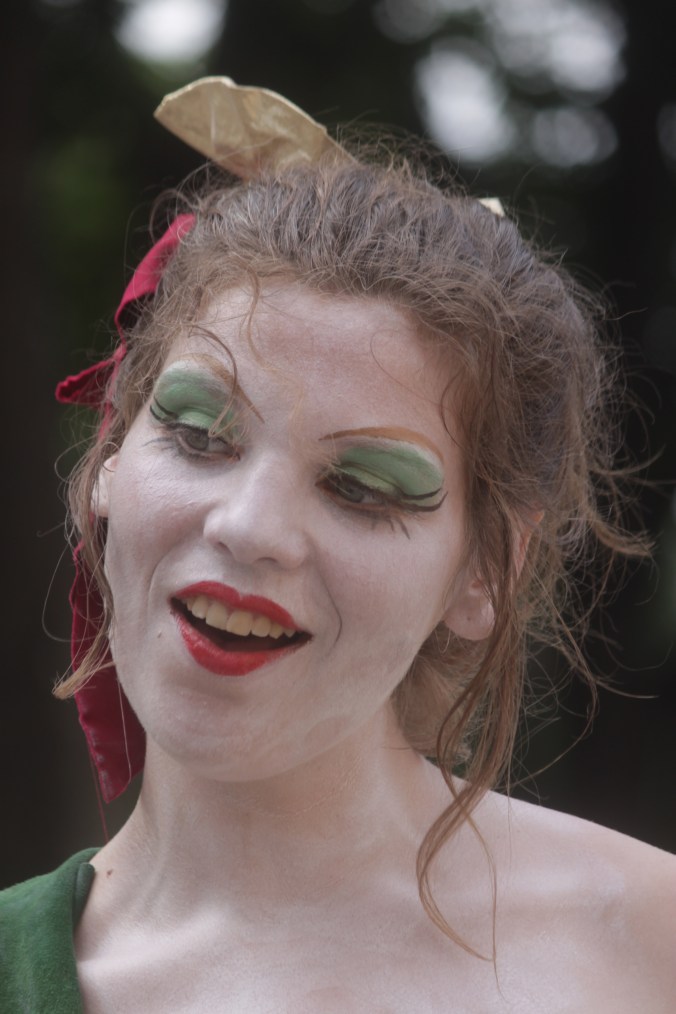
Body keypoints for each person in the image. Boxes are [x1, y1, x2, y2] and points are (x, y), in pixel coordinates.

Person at [1, 78, 674, 1012]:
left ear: (485, 571)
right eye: (198, 434)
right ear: (111, 454)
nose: (249, 527)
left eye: (361, 488)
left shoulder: (647, 947)